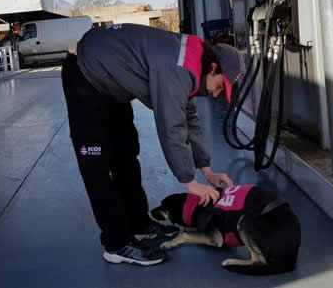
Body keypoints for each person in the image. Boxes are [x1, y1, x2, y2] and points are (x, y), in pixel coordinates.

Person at [61, 23, 245, 266]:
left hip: (112, 82)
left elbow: (188, 117)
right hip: (84, 74)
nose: (217, 94)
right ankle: (116, 243)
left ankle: (138, 224)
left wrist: (207, 169)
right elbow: (171, 126)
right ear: (213, 67)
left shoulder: (193, 62)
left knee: (126, 153)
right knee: (95, 162)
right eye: (220, 86)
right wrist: (190, 182)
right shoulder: (178, 67)